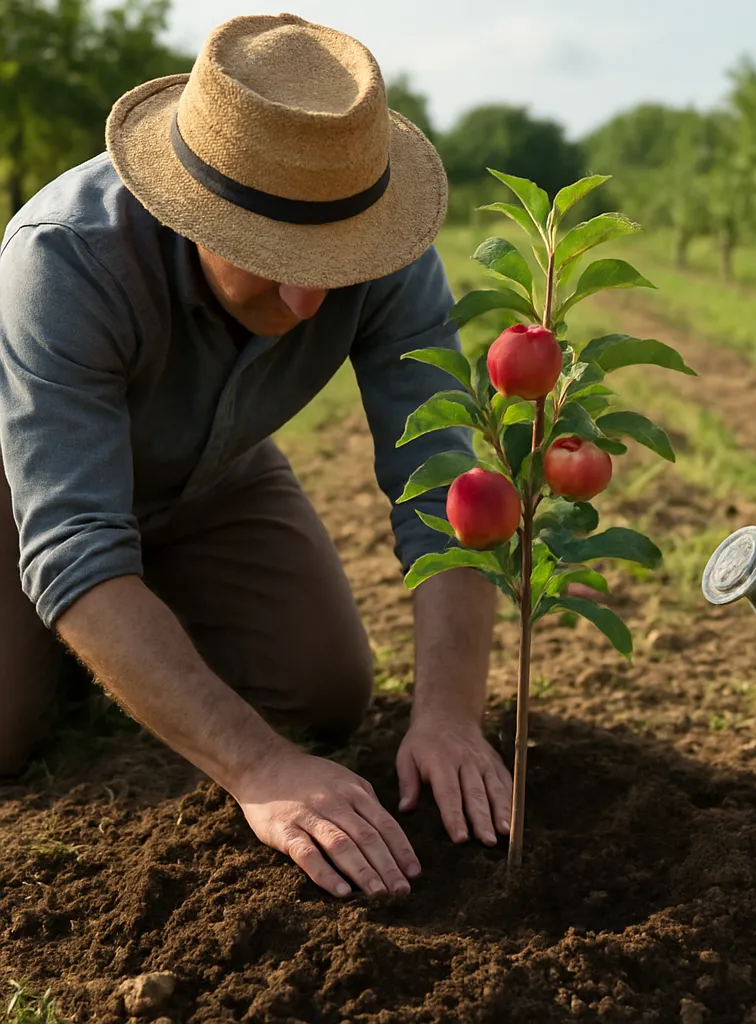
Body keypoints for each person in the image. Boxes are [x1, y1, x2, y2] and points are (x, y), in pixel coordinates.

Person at [0, 13, 513, 900]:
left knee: (326, 693)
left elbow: (445, 488)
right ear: (187, 209)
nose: (307, 299)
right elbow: (72, 538)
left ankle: (130, 638)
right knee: (8, 728)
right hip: (23, 487)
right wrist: (260, 769)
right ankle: (93, 652)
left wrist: (450, 716)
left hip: (213, 476)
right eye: (273, 256)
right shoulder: (66, 260)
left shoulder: (386, 249)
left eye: (332, 260)